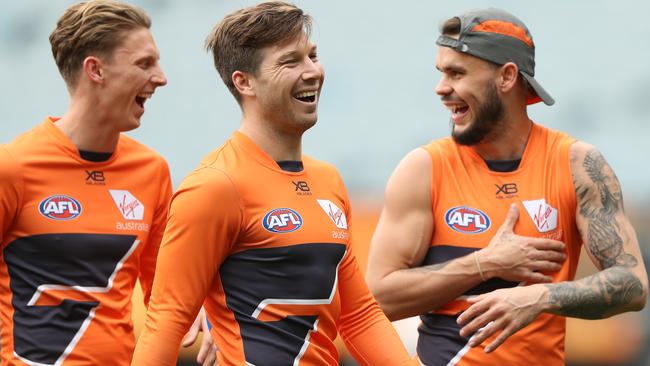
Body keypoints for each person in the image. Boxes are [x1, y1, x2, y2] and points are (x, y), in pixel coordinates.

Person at [131, 2, 414, 365]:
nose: (313, 71)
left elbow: (359, 316)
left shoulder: (328, 181)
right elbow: (165, 323)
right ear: (244, 82)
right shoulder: (215, 186)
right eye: (290, 61)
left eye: (313, 56)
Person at [366, 7, 648, 366]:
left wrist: (540, 297)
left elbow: (633, 284)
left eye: (457, 73)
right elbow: (375, 300)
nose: (441, 88)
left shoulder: (576, 164)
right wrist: (485, 264)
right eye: (441, 73)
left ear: (507, 77)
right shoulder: (425, 168)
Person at [0, 1, 212, 365]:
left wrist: (210, 321)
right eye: (145, 64)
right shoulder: (12, 167)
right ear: (95, 70)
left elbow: (165, 296)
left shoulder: (152, 170)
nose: (161, 77)